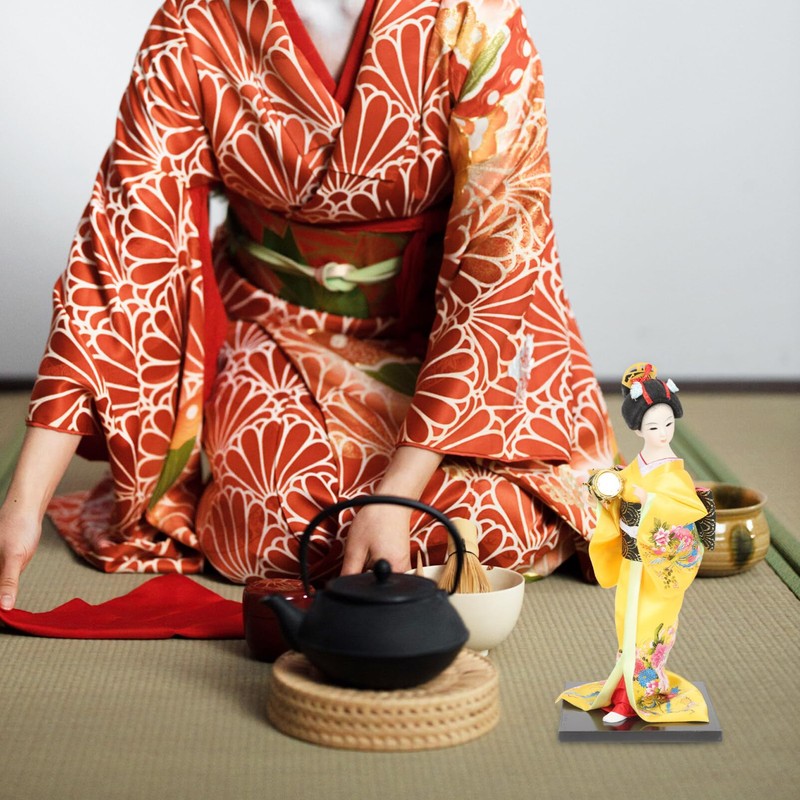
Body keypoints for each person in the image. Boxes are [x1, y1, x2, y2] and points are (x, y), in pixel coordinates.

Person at [0, 0, 617, 612]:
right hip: (277, 321)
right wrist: (23, 504)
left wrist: (398, 493)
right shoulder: (197, 20)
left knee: (497, 518)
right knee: (269, 516)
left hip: (452, 334)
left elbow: (499, 253)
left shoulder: (473, 17)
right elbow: (123, 255)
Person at [558, 363, 716, 724]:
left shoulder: (674, 471)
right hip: (632, 561)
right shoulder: (637, 465)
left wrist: (650, 501)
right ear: (638, 429)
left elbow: (688, 507)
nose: (663, 433)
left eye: (668, 424)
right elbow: (619, 493)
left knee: (649, 628)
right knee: (626, 626)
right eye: (654, 427)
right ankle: (622, 690)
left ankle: (637, 697)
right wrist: (607, 489)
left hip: (658, 565)